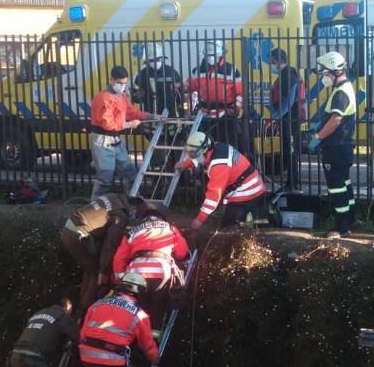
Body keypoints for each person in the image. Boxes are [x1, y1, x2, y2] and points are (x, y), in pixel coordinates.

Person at [112, 202, 189, 328]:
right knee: (157, 309)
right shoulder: (169, 228)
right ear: (162, 216)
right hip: (161, 271)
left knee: (138, 310)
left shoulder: (132, 231)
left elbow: (119, 258)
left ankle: (137, 338)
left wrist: (119, 278)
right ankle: (154, 340)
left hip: (136, 274)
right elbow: (182, 252)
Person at [90, 66, 163, 197]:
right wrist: (129, 124)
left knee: (130, 174)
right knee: (105, 179)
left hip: (115, 139)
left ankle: (132, 204)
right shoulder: (104, 98)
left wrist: (151, 116)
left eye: (124, 83)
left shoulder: (121, 96)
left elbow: (130, 112)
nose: (122, 86)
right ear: (111, 80)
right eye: (120, 83)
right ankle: (94, 209)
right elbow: (108, 124)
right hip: (103, 140)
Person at [60, 194, 141, 310]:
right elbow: (110, 245)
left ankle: (81, 301)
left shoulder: (113, 197)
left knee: (89, 269)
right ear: (133, 208)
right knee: (96, 273)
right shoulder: (120, 215)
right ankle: (84, 310)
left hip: (69, 229)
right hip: (79, 235)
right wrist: (103, 271)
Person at [174, 131, 267, 229]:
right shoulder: (215, 147)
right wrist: (185, 164)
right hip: (252, 187)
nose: (191, 156)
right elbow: (200, 157)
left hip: (246, 192)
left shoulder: (219, 165)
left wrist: (199, 219)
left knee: (228, 229)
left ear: (204, 150)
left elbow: (214, 195)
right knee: (237, 223)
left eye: (193, 153)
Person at [309, 51, 357, 239]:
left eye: (325, 74)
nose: (324, 78)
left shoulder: (341, 93)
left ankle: (341, 227)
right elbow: (333, 117)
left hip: (335, 148)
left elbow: (336, 120)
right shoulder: (344, 89)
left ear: (335, 72)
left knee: (336, 187)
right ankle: (351, 219)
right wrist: (318, 125)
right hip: (342, 147)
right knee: (344, 184)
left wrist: (318, 137)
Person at [186, 40, 245, 150]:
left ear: (220, 54)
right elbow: (190, 88)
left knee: (227, 148)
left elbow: (240, 94)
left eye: (212, 54)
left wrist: (234, 109)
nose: (210, 57)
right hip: (204, 116)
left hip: (226, 116)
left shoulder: (231, 70)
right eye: (208, 55)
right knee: (205, 148)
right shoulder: (198, 70)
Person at [269, 47, 305, 191]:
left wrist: (277, 116)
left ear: (279, 61)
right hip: (287, 118)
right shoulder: (285, 74)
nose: (271, 65)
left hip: (290, 119)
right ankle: (292, 182)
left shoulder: (289, 76)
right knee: (288, 151)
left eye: (272, 62)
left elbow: (289, 100)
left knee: (290, 152)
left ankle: (292, 184)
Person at [133, 44, 183, 118]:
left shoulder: (170, 71)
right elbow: (137, 98)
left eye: (157, 59)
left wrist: (182, 110)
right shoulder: (142, 74)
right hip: (151, 114)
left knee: (171, 128)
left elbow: (180, 93)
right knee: (152, 129)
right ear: (147, 61)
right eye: (152, 60)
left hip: (171, 113)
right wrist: (140, 94)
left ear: (162, 59)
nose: (155, 62)